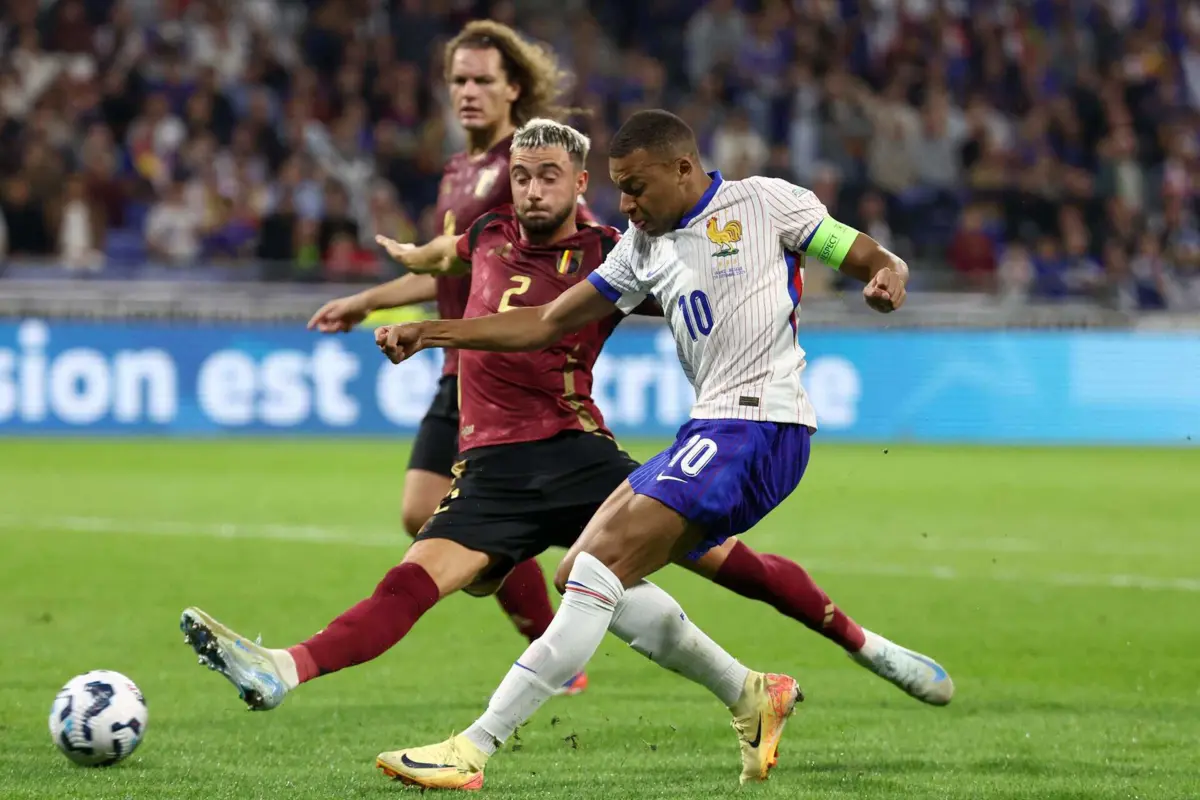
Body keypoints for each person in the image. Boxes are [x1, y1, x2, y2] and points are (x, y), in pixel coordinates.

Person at [181, 120, 798, 786]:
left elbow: (671, 285)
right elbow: (438, 264)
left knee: (704, 563)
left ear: (580, 183)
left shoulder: (613, 248)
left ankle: (842, 646)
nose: (530, 189)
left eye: (547, 176)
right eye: (520, 176)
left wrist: (755, 293)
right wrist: (374, 295)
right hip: (491, 468)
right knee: (411, 583)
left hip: (576, 455)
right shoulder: (487, 234)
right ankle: (282, 668)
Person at [373, 110, 955, 787]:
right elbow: (546, 323)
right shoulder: (640, 248)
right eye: (618, 188)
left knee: (597, 571)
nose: (625, 205)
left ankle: (473, 749)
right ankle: (752, 694)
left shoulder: (766, 202)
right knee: (580, 570)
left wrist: (886, 275)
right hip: (708, 428)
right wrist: (433, 332)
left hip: (761, 426)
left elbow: (869, 254)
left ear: (683, 169)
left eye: (636, 187)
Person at [305, 20, 582, 679]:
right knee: (420, 509)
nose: (468, 91)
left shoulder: (523, 166)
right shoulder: (460, 169)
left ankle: (555, 648)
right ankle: (553, 645)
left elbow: (555, 249)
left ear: (514, 88)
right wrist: (367, 300)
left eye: (483, 80)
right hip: (458, 365)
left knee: (484, 521)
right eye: (459, 80)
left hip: (503, 370)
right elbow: (453, 268)